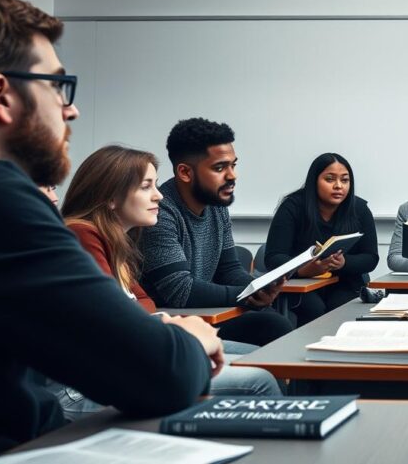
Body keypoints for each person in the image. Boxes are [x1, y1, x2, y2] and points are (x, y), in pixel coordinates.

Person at [0, 0, 215, 462]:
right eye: (58, 86)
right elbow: (157, 373)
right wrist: (190, 338)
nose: (71, 108)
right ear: (1, 95)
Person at [57, 144, 282, 420]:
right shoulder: (83, 234)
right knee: (259, 379)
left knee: (260, 357)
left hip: (123, 362)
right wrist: (174, 326)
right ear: (111, 197)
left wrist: (164, 324)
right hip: (81, 387)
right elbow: (115, 320)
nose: (158, 196)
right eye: (146, 186)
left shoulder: (116, 242)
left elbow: (142, 304)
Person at [138, 118, 293, 346]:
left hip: (206, 315)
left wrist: (257, 288)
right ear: (185, 172)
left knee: (277, 324)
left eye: (233, 165)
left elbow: (228, 269)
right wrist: (246, 294)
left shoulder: (216, 206)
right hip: (172, 326)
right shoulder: (159, 213)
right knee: (274, 327)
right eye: (219, 168)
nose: (232, 176)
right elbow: (181, 291)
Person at [264, 153, 379, 324]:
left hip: (344, 282)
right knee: (314, 309)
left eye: (345, 180)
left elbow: (371, 258)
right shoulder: (292, 207)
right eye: (330, 179)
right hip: (300, 284)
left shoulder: (359, 209)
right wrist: (304, 270)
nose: (338, 186)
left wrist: (344, 263)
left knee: (340, 308)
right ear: (314, 181)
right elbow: (273, 258)